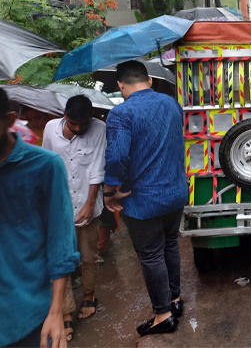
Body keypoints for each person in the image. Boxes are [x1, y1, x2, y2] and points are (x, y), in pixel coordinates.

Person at [103, 60, 187, 336]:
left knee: (151, 255)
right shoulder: (172, 104)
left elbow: (116, 157)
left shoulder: (121, 114)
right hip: (175, 192)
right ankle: (174, 300)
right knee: (170, 246)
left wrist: (110, 191)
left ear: (120, 85)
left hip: (143, 200)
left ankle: (163, 315)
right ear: (149, 80)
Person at [0, 87, 80, 348]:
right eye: (33, 118)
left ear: (10, 120)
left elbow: (60, 244)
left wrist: (56, 312)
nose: (37, 122)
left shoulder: (44, 165)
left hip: (28, 314)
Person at [43, 95, 106, 342]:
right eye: (73, 123)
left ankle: (89, 296)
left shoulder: (99, 129)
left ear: (91, 118)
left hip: (87, 204)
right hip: (58, 206)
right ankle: (66, 310)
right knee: (62, 259)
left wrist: (91, 204)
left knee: (89, 255)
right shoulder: (50, 128)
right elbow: (47, 164)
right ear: (64, 115)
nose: (78, 128)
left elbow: (97, 167)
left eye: (83, 124)